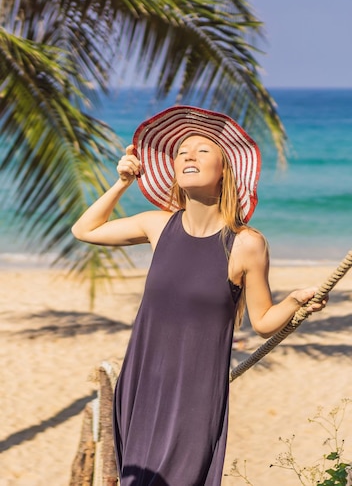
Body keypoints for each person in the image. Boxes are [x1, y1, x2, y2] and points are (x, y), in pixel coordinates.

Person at [71, 105, 327, 486]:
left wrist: (294, 302)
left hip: (195, 394)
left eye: (202, 150)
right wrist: (122, 182)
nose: (188, 154)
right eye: (180, 152)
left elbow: (262, 323)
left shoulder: (246, 245)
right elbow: (85, 229)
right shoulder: (157, 226)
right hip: (141, 384)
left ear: (223, 171)